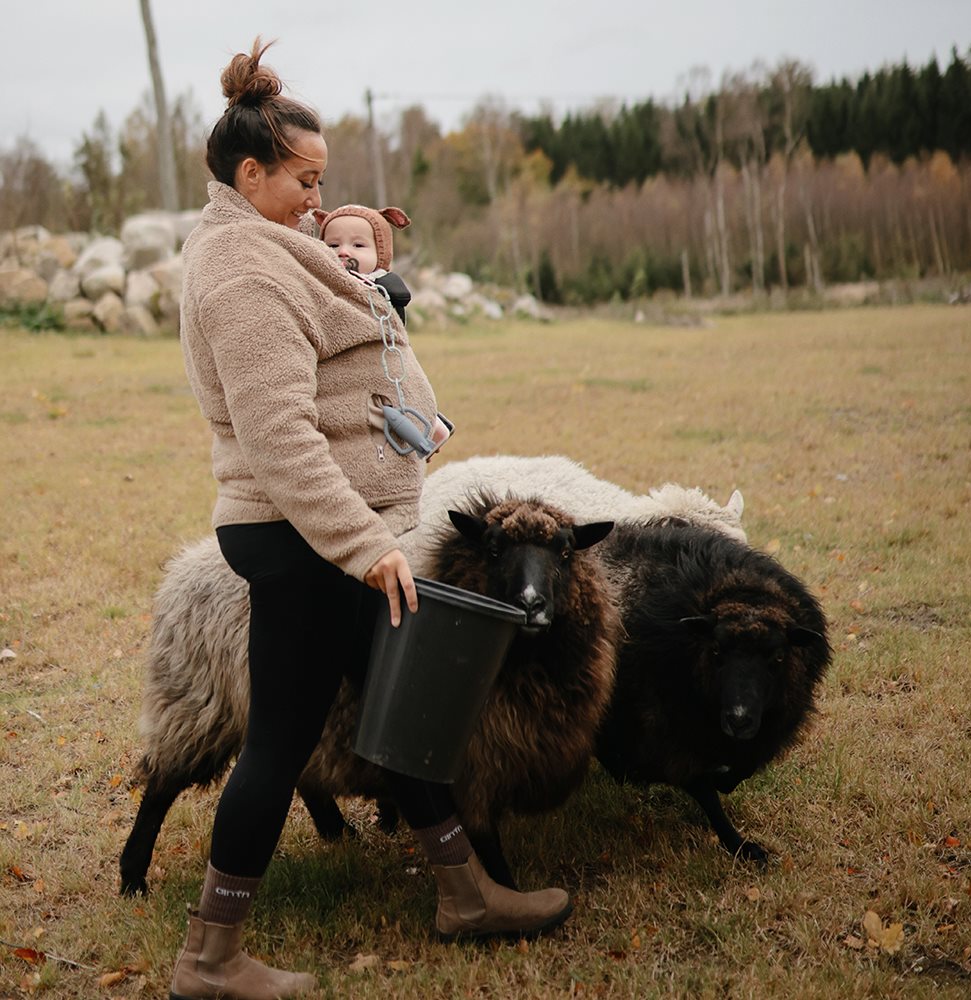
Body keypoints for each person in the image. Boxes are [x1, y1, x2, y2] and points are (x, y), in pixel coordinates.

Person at [168, 37, 572, 1000]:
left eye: (322, 180)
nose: (318, 199)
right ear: (249, 172)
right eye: (303, 179)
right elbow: (278, 435)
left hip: (334, 534)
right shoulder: (240, 271)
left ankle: (464, 892)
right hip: (305, 538)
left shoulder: (269, 244)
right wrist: (363, 548)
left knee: (402, 705)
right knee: (277, 742)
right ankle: (210, 961)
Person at [315, 203, 412, 324]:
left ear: (381, 253)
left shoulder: (383, 287)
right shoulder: (318, 282)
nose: (343, 252)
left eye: (358, 245)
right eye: (333, 245)